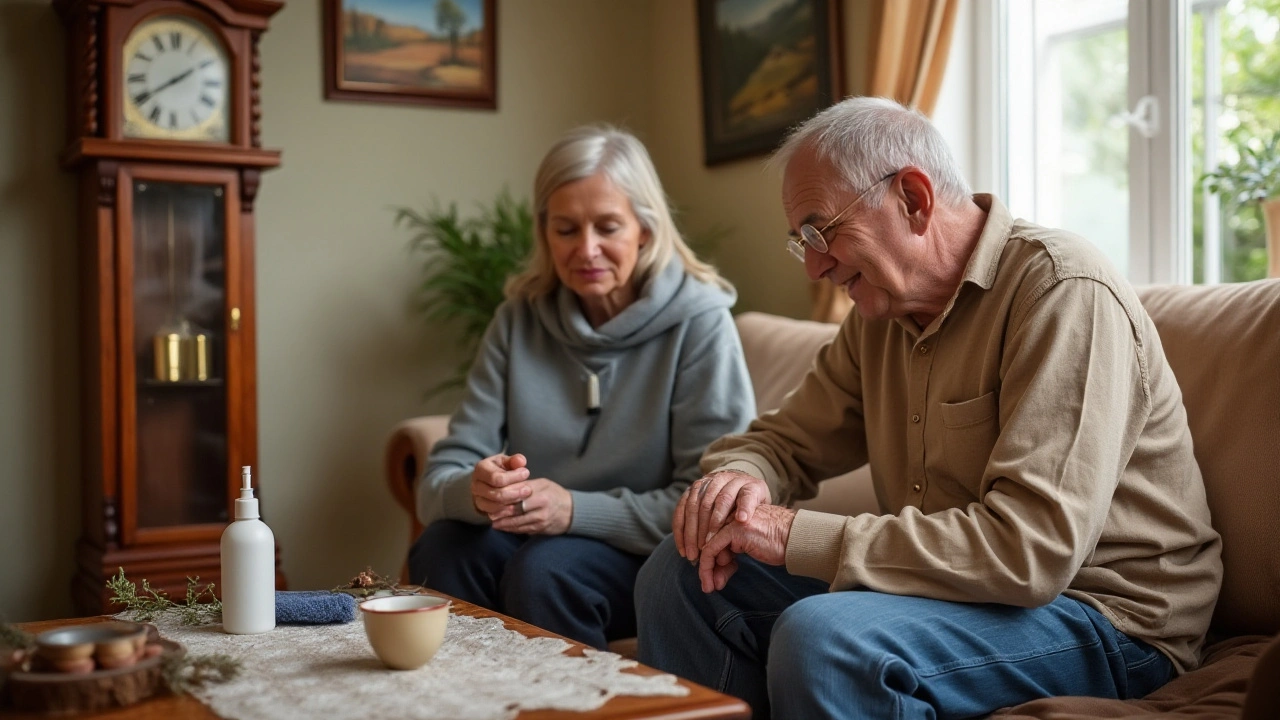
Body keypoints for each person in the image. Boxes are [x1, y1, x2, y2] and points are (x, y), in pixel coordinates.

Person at [635, 97, 1223, 719]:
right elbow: (785, 441)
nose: (812, 266)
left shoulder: (1063, 291)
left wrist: (794, 534)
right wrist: (738, 481)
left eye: (820, 231)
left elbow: (1031, 551)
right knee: (677, 576)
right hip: (959, 593)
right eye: (799, 242)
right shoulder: (880, 318)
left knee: (828, 640)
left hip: (1109, 617)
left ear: (913, 200)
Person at [409, 125, 755, 650]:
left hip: (651, 550)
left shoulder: (700, 323)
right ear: (545, 233)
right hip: (534, 537)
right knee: (445, 546)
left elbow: (710, 502)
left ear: (645, 227)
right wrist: (475, 492)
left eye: (608, 227)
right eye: (566, 229)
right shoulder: (517, 321)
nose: (587, 250)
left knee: (547, 571)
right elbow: (436, 484)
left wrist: (575, 510)